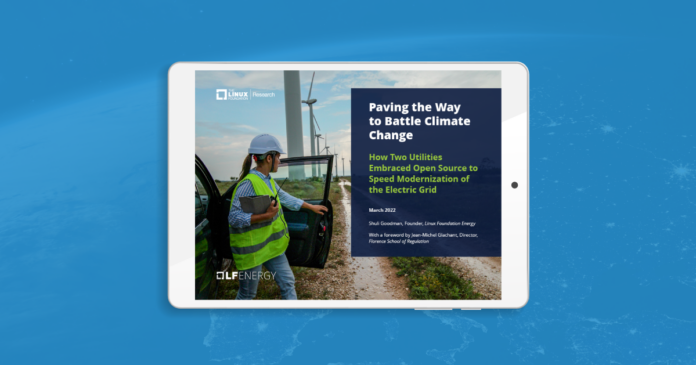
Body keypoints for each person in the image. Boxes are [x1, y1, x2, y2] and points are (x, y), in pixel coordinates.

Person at [228, 134, 328, 300]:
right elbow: (233, 218)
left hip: (271, 248)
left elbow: (284, 197)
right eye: (278, 157)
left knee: (288, 283)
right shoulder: (248, 184)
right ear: (269, 158)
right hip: (252, 251)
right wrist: (265, 216)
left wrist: (311, 207)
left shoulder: (268, 180)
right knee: (247, 294)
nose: (280, 161)